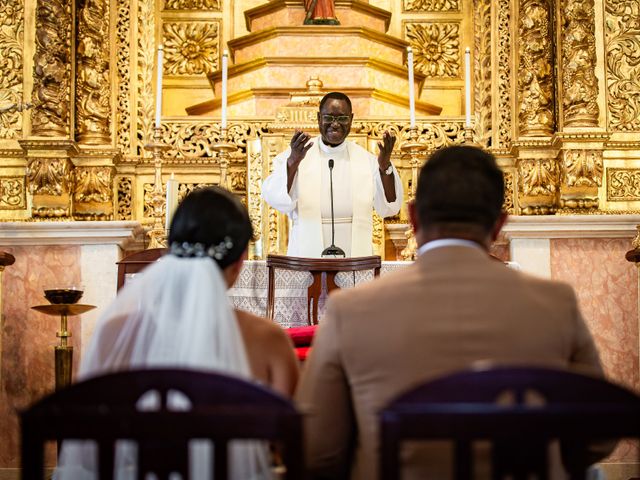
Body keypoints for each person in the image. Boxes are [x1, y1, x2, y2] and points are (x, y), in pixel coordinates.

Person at [295, 145, 605, 479]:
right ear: (499, 224)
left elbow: (316, 451)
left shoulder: (350, 311)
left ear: (413, 218)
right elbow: (598, 435)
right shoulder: (556, 303)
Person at [56, 186, 299, 479]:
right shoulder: (269, 340)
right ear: (240, 260)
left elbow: (90, 440)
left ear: (172, 250)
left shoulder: (114, 333)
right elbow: (289, 443)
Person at [262, 92, 403, 258]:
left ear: (351, 119)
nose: (335, 124)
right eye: (329, 117)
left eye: (342, 118)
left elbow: (390, 207)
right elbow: (275, 198)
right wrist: (293, 162)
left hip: (354, 256)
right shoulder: (297, 154)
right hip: (307, 256)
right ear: (319, 118)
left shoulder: (366, 160)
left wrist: (385, 166)